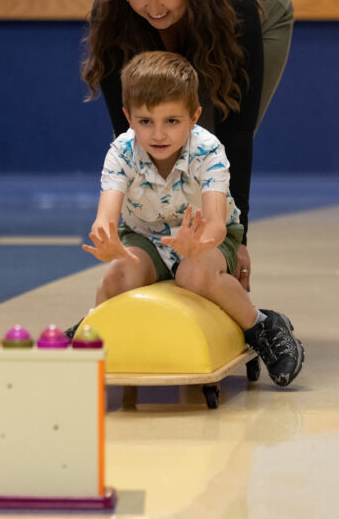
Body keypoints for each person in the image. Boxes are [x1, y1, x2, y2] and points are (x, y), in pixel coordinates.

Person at [81, 0, 295, 292]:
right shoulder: (115, 7)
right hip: (190, 6)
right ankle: (162, 257)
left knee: (203, 142)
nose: (153, 7)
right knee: (160, 130)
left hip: (260, 6)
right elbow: (130, 134)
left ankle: (212, 256)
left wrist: (239, 239)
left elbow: (237, 129)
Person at [79, 51, 304, 387]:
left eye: (172, 121)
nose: (158, 134)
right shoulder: (121, 152)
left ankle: (262, 325)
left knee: (193, 274)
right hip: (146, 235)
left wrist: (199, 244)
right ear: (128, 117)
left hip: (208, 235)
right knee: (118, 277)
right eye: (145, 121)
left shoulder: (209, 151)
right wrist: (106, 240)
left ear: (194, 116)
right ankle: (91, 339)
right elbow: (106, 216)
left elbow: (215, 222)